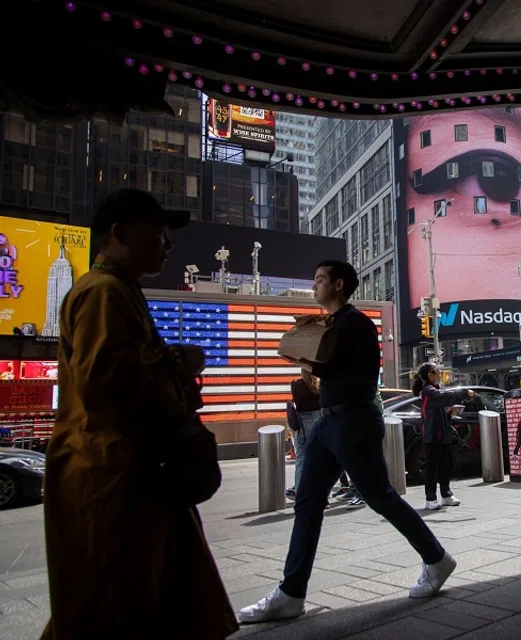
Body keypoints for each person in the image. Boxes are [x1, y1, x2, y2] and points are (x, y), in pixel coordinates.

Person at [42, 189, 237, 638]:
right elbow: (104, 382)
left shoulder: (118, 290)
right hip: (110, 474)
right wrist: (177, 361)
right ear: (120, 233)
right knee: (108, 605)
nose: (168, 244)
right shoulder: (102, 292)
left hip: (129, 472)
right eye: (159, 232)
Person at [240, 261, 456, 623]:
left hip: (354, 420)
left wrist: (308, 359)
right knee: (308, 501)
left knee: (379, 496)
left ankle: (436, 559)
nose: (314, 286)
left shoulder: (355, 322)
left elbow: (359, 376)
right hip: (328, 422)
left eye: (319, 279)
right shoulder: (332, 323)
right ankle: (291, 593)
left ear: (338, 285)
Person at [412, 362, 473, 510]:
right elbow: (444, 397)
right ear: (430, 375)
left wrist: (449, 413)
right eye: (438, 373)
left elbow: (440, 411)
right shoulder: (429, 391)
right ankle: (431, 499)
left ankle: (446, 495)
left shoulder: (435, 390)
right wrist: (463, 393)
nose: (440, 375)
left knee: (444, 466)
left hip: (442, 434)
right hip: (432, 435)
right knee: (432, 468)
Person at [287, 372, 321, 500]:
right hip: (319, 421)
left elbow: (295, 401)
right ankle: (322, 498)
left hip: (303, 424)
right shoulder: (320, 385)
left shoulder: (296, 384)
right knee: (320, 461)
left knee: (301, 460)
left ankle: (300, 494)